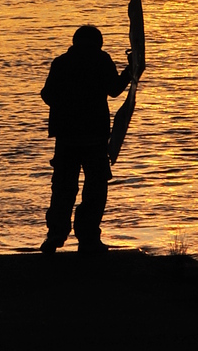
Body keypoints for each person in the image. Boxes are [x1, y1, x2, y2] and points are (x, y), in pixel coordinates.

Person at [40, 24, 132, 254]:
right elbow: (114, 90)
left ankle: (56, 235)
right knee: (95, 189)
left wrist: (67, 103)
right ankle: (88, 237)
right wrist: (131, 71)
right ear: (98, 43)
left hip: (66, 138)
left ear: (75, 42)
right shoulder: (101, 60)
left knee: (63, 188)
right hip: (94, 138)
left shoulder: (61, 63)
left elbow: (47, 95)